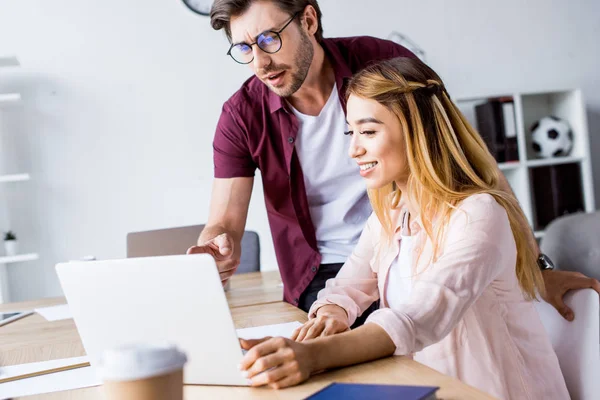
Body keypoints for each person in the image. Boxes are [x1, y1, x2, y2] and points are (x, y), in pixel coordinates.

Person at [186, 0, 600, 320]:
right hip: (326, 273)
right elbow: (224, 222)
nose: (260, 62)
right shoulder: (241, 114)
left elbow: (473, 164)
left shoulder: (384, 64)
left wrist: (538, 268)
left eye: (268, 40)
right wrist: (217, 245)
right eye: (243, 47)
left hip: (421, 248)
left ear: (308, 21)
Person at [236, 57, 570, 399]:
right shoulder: (392, 212)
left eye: (368, 132)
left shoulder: (478, 214)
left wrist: (311, 355)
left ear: (417, 129)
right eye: (351, 132)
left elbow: (419, 317)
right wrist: (331, 313)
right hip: (427, 386)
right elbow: (349, 285)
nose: (353, 149)